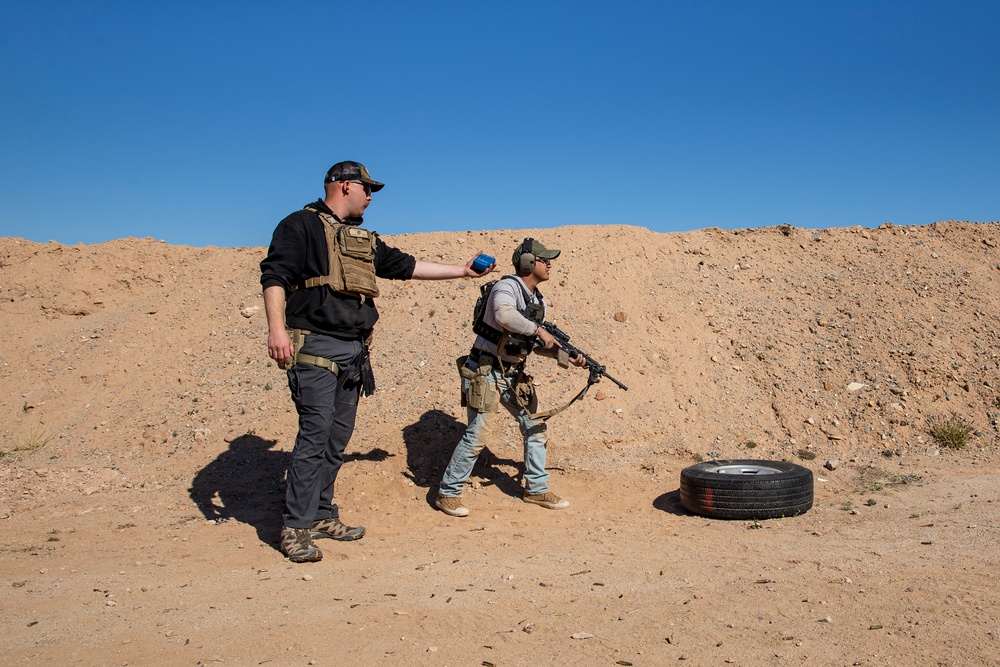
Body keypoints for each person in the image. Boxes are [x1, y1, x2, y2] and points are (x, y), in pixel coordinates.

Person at [260, 160, 495, 562]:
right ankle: (295, 527)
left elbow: (406, 267)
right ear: (344, 186)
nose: (371, 197)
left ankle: (320, 514)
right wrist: (276, 329)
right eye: (367, 189)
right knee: (314, 439)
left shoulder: (361, 239)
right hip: (314, 346)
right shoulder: (298, 225)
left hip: (353, 352)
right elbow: (274, 276)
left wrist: (461, 271)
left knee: (335, 440)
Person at [436, 238, 585, 517]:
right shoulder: (506, 287)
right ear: (528, 263)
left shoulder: (537, 300)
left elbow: (534, 345)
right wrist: (539, 331)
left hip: (513, 373)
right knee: (478, 434)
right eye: (544, 260)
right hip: (485, 370)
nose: (550, 264)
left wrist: (569, 358)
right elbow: (504, 316)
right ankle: (448, 492)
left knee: (535, 427)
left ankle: (536, 489)